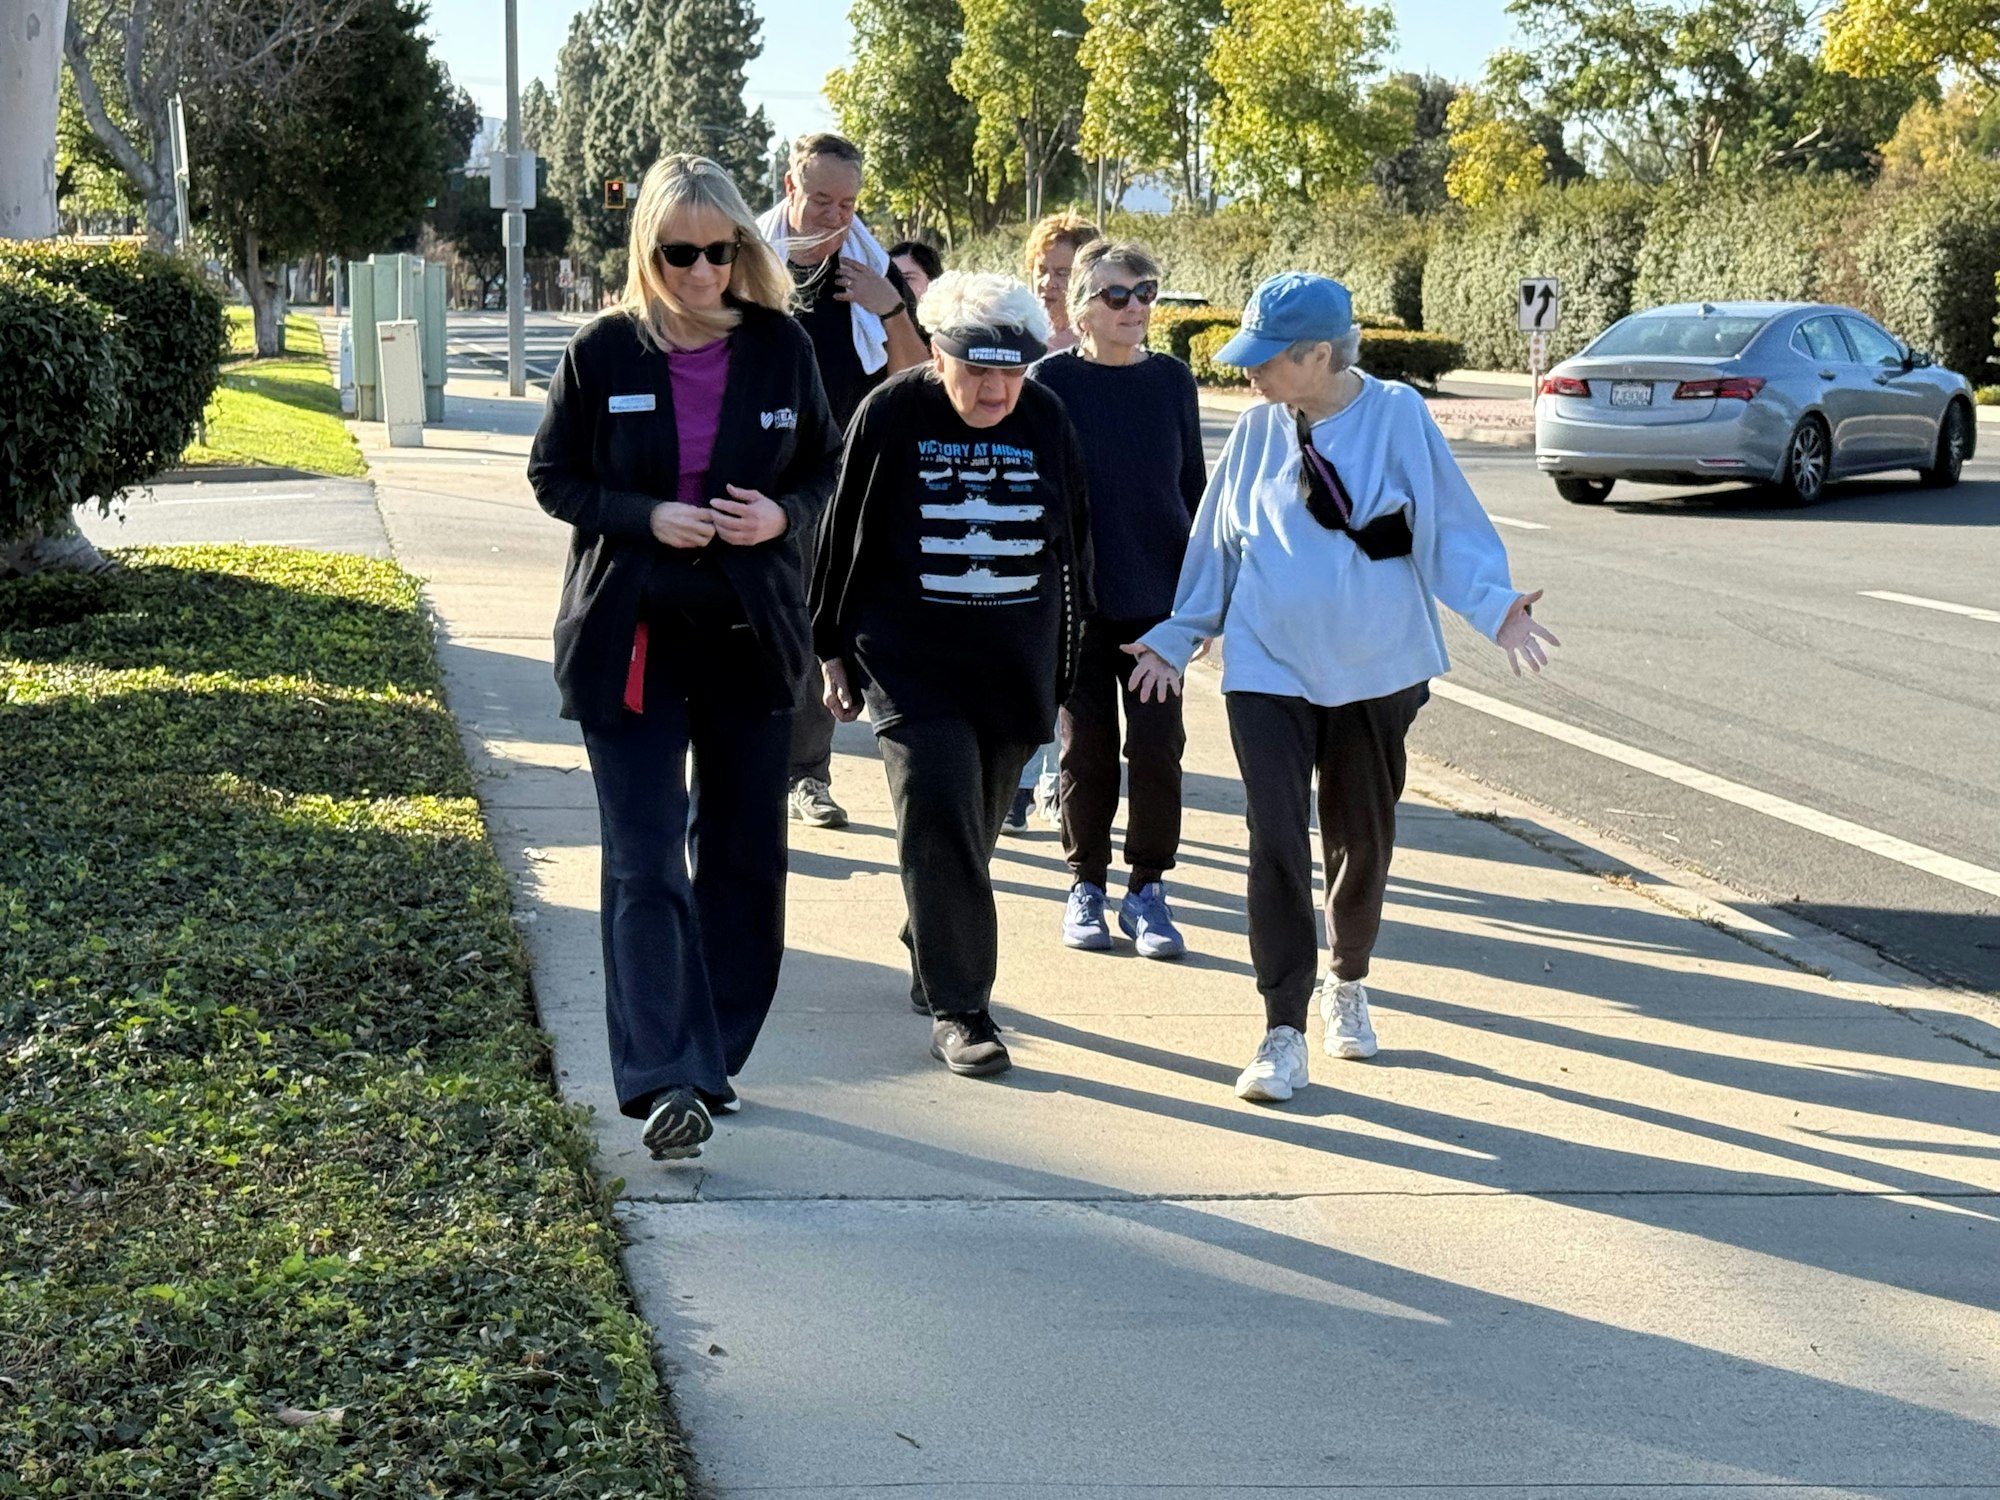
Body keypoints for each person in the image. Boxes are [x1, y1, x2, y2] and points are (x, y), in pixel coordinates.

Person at [1125, 273, 1560, 1105]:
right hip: (1267, 670)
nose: (1249, 374)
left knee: (1362, 838)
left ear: (1319, 354)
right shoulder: (1255, 431)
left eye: (1266, 359)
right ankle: (1281, 1029)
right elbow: (1217, 548)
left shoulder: (1396, 415)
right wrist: (1178, 640)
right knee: (1275, 841)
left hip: (1375, 669)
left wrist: (1495, 605)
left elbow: (1449, 526)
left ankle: (1347, 980)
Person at [528, 156, 840, 1161]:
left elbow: (823, 469)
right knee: (647, 857)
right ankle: (664, 1075)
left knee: (745, 858)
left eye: (720, 250)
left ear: (742, 249)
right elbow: (554, 475)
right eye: (680, 252)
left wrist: (776, 516)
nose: (702, 271)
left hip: (751, 636)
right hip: (633, 637)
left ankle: (712, 1058)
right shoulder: (603, 351)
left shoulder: (780, 347)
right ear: (648, 252)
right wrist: (644, 514)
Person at [811, 272, 1093, 1079]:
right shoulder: (893, 411)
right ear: (938, 355)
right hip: (910, 661)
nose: (997, 387)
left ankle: (929, 933)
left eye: (1012, 371)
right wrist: (829, 647)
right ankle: (962, 1008)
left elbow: (1075, 547)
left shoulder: (1046, 416)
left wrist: (1069, 674)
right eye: (978, 370)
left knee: (973, 828)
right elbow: (844, 535)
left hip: (1013, 661)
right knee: (937, 810)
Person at [1028, 240, 1205, 960]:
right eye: (1117, 295)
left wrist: (1199, 604)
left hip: (1157, 605)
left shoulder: (1171, 381)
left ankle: (1148, 888)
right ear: (1083, 308)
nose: (1135, 307)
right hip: (1078, 604)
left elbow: (1193, 490)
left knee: (1159, 750)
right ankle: (1086, 884)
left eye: (1146, 292)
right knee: (1086, 751)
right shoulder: (1047, 384)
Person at [757, 132, 929, 830]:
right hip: (754, 474)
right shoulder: (747, 259)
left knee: (814, 626)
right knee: (751, 624)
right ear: (791, 187)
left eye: (848, 202)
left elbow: (915, 378)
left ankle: (806, 774)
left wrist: (887, 304)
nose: (835, 216)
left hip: (838, 480)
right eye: (821, 198)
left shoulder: (869, 265)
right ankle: (739, 761)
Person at [1007, 211, 1104, 828]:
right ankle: (1019, 781)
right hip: (1028, 525)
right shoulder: (1013, 337)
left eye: (1064, 273)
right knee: (1031, 660)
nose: (1049, 283)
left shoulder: (1105, 353)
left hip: (1089, 532)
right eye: (1043, 270)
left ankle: (1054, 786)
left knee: (1071, 668)